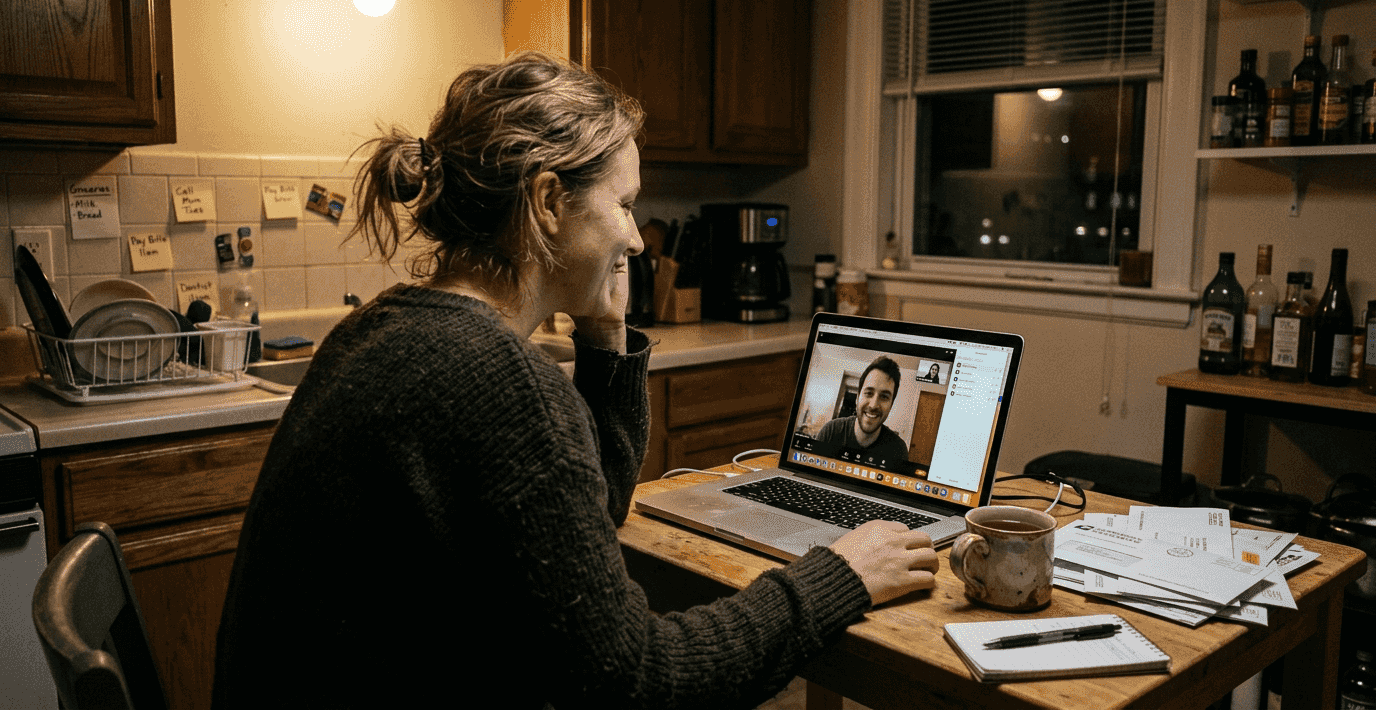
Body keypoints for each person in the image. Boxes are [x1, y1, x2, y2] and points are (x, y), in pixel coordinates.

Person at [211, 53, 938, 709]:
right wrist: (836, 575)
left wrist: (605, 334)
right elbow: (639, 684)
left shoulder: (384, 330)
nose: (635, 235)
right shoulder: (501, 381)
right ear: (549, 201)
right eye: (624, 203)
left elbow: (591, 514)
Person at [815, 356, 910, 472]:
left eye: (884, 397)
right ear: (857, 397)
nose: (873, 405)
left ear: (891, 405)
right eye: (869, 393)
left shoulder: (898, 450)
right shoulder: (830, 432)